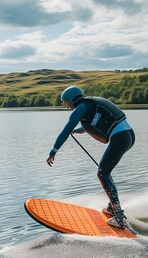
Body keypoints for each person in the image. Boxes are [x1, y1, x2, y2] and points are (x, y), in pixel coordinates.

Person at [46, 86, 135, 229]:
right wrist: (78, 131)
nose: (66, 105)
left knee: (102, 173)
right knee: (105, 172)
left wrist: (53, 152)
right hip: (128, 135)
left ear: (72, 100)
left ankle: (118, 217)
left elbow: (65, 130)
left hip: (120, 138)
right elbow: (95, 123)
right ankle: (113, 208)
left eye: (65, 102)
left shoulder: (80, 108)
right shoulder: (90, 104)